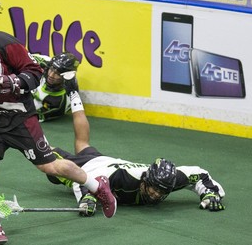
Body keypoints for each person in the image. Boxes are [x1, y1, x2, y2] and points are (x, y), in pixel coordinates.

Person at [0, 0, 116, 245]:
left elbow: (34, 72)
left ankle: (96, 186)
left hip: (19, 118)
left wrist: (11, 83)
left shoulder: (1, 42)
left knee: (51, 167)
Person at [46, 89, 226, 216]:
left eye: (162, 191)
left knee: (82, 143)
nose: (156, 194)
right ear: (146, 179)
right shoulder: (123, 177)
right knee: (45, 157)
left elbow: (200, 174)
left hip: (103, 160)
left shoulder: (167, 180)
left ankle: (73, 92)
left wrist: (210, 193)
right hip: (87, 168)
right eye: (154, 188)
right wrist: (86, 198)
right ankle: (31, 125)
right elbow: (83, 178)